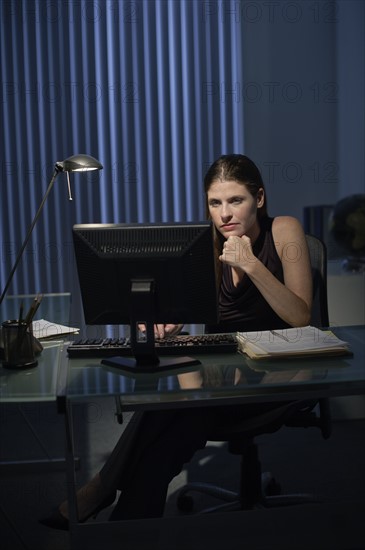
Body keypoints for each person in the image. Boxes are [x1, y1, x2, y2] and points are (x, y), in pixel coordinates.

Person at [40, 154, 312, 528]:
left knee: (177, 414)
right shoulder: (208, 242)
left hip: (275, 378)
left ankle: (101, 490)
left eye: (236, 200)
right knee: (171, 429)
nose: (224, 214)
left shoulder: (283, 230)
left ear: (259, 199)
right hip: (222, 379)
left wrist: (251, 264)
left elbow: (300, 316)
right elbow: (197, 311)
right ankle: (127, 525)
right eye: (215, 203)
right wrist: (174, 325)